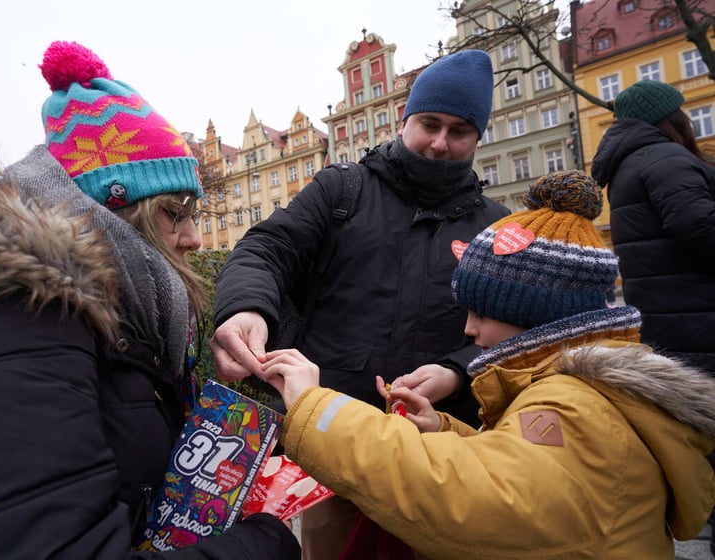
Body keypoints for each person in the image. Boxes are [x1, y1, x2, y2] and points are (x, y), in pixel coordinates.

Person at [0, 41, 299, 559]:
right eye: (177, 210)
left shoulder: (91, 319)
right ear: (115, 207)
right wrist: (266, 543)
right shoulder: (10, 321)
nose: (192, 237)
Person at [259, 170, 715, 559]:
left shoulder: (577, 405)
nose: (470, 330)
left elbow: (467, 500)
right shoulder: (582, 390)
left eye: (481, 313)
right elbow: (525, 471)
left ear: (535, 315)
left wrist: (315, 408)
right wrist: (444, 430)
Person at [210, 48, 509, 558]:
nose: (439, 143)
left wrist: (457, 371)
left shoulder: (494, 225)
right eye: (429, 124)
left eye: (459, 131)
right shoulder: (342, 189)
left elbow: (513, 328)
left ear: (477, 137)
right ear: (404, 119)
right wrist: (247, 309)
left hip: (439, 451)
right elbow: (266, 248)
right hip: (331, 445)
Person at [591, 80, 715, 552]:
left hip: (673, 319)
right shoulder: (665, 158)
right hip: (702, 317)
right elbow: (696, 225)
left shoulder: (630, 166)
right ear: (672, 118)